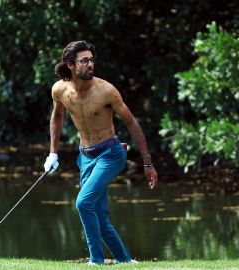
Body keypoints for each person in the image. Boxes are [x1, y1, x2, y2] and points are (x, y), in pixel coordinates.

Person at [43, 40, 158, 265]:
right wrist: (53, 153)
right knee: (99, 216)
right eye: (84, 61)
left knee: (83, 203)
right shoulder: (60, 90)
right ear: (70, 65)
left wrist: (147, 163)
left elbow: (132, 123)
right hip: (85, 156)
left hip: (110, 153)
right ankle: (125, 261)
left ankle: (95, 262)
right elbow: (57, 117)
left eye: (91, 60)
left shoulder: (106, 91)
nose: (90, 64)